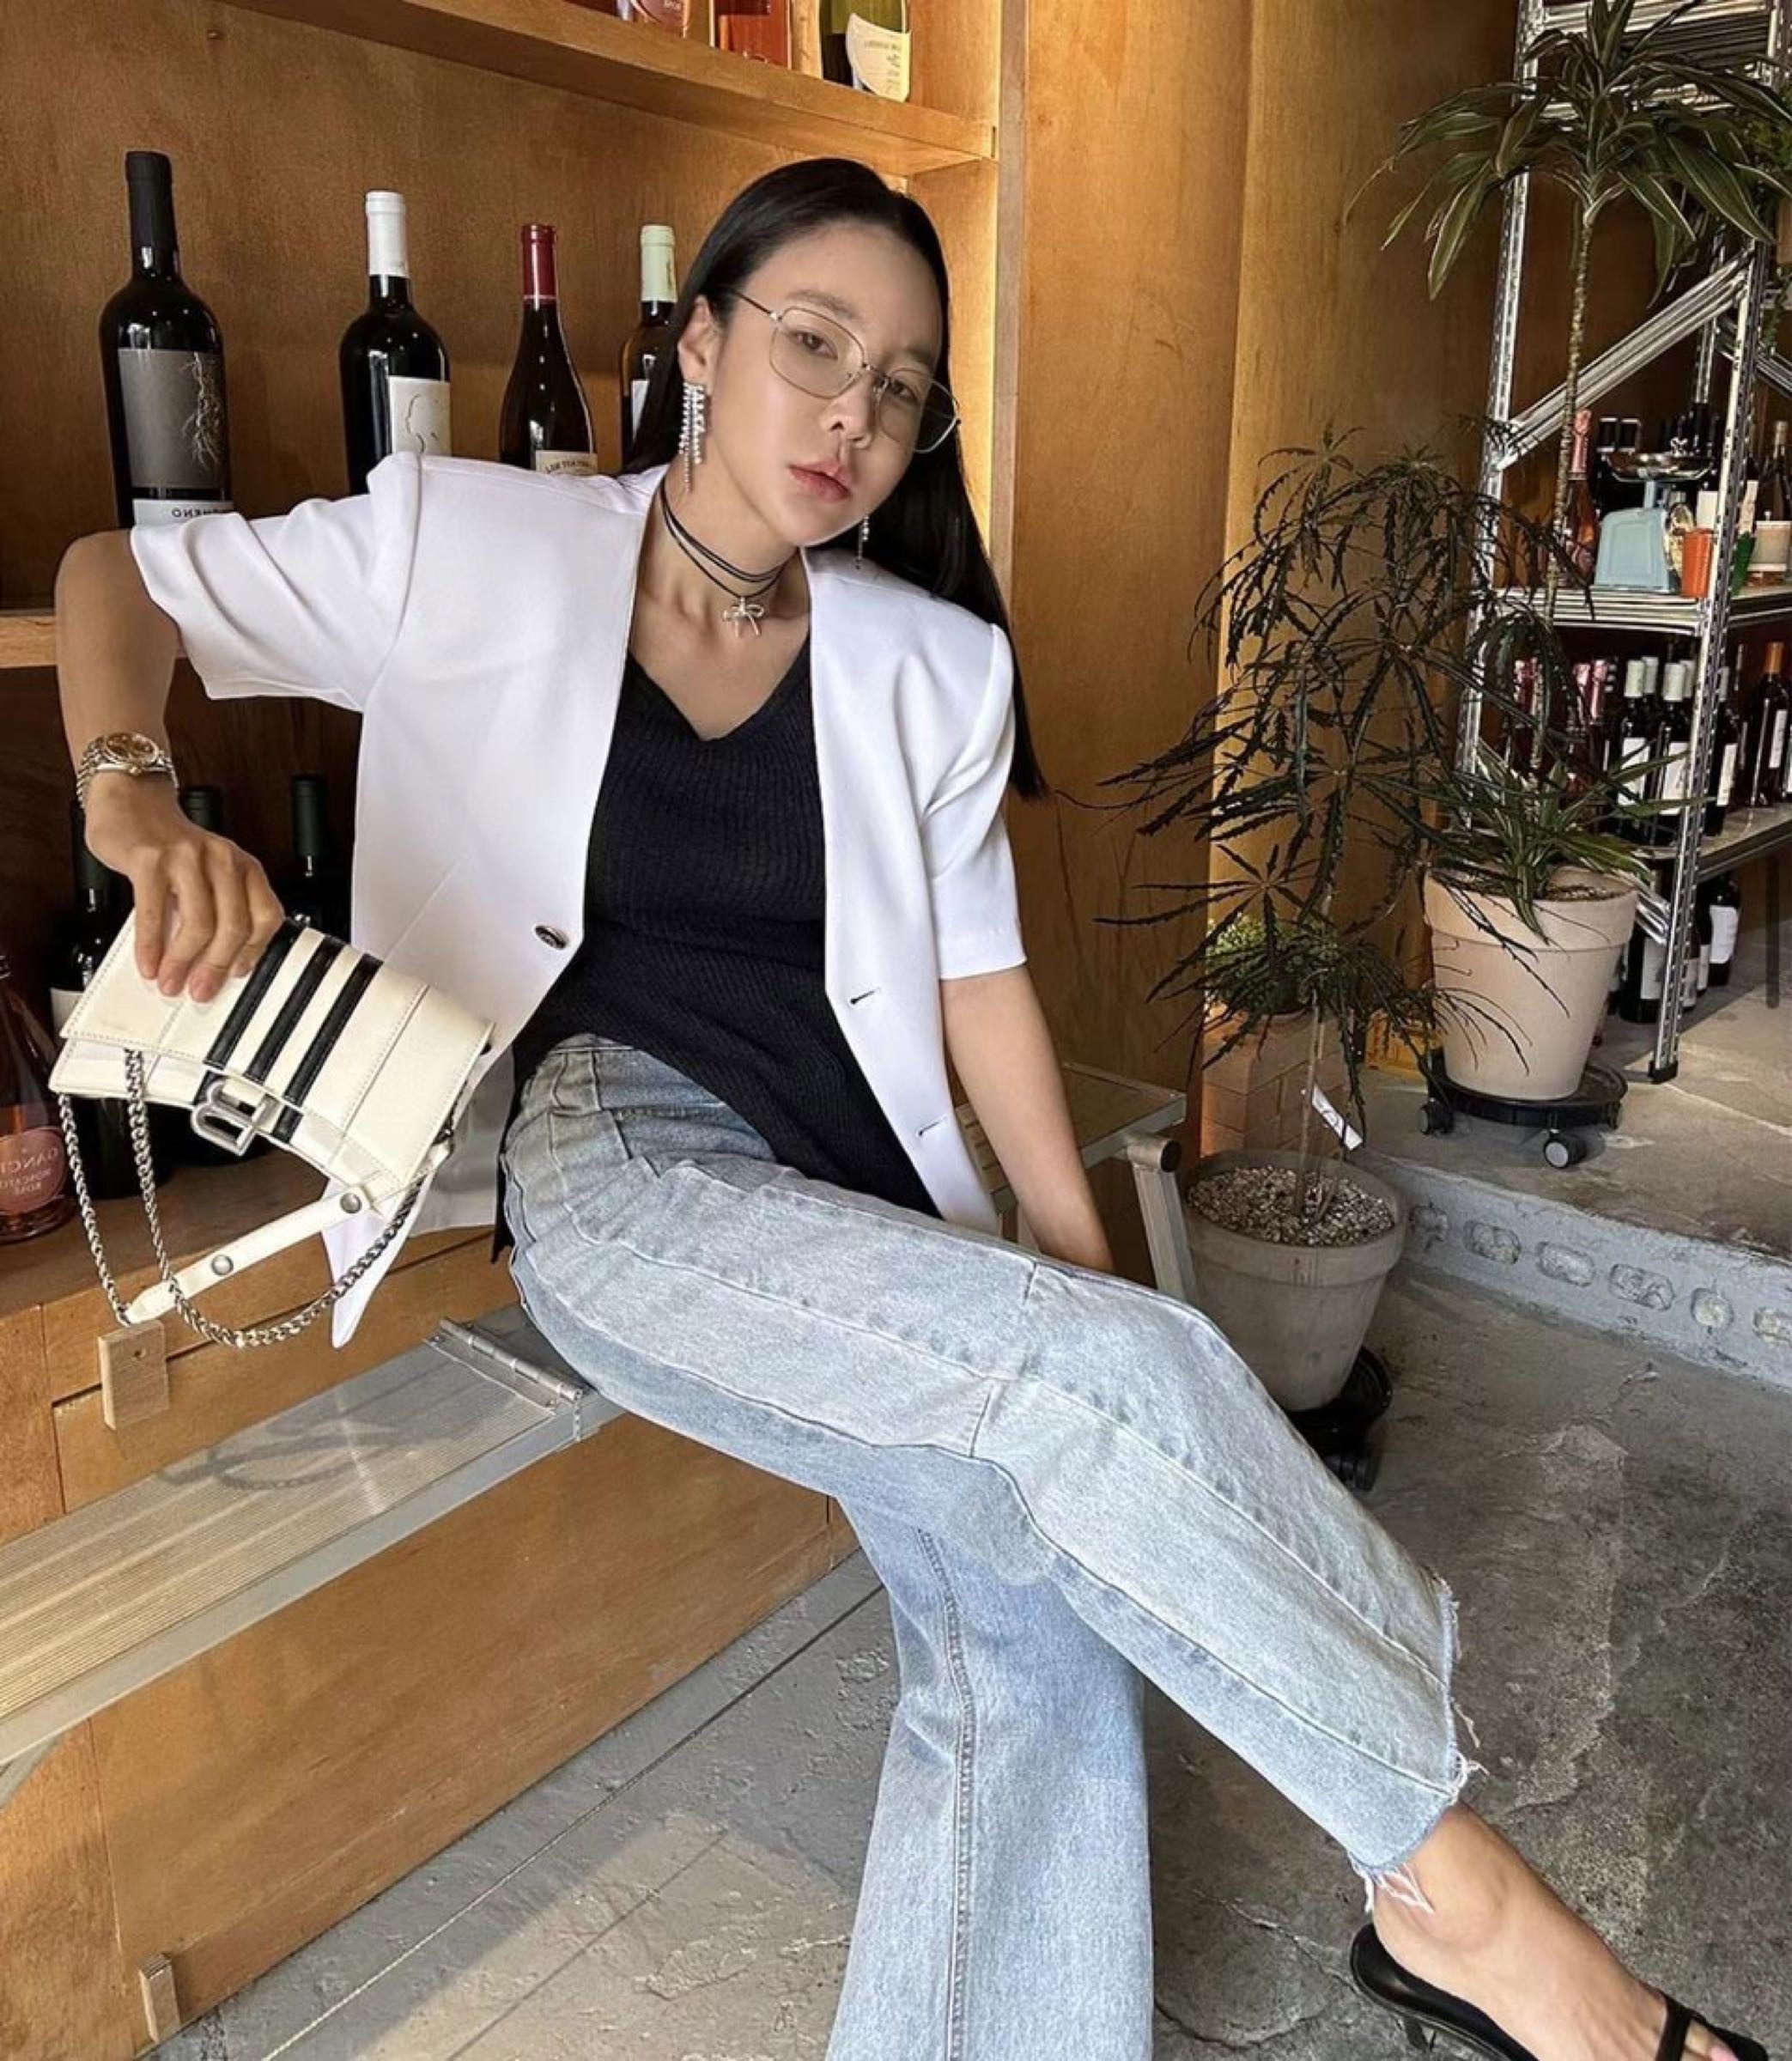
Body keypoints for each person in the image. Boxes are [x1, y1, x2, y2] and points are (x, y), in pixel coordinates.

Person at [53, 157, 1761, 2061]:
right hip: (619, 1162)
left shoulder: (930, 663)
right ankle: (1476, 1913)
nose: (852, 411)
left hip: (863, 1181)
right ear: (703, 346)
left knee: (1031, 1623)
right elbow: (118, 578)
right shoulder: (475, 543)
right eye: (813, 344)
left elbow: (976, 983)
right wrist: (132, 792)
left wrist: (1093, 1267)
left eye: (901, 383)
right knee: (1107, 1408)